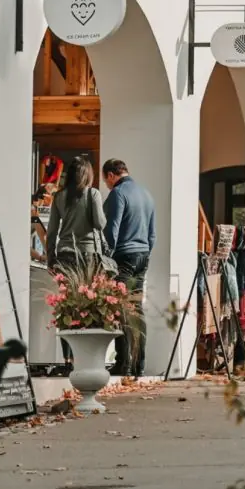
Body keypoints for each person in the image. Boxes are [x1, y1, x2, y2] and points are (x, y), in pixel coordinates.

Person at [102, 159, 155, 378]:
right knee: (136, 309)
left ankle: (123, 362)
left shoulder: (118, 193)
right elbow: (152, 234)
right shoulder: (146, 194)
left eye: (105, 179)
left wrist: (106, 257)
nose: (106, 184)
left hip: (123, 256)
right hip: (142, 256)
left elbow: (112, 230)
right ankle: (139, 364)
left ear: (111, 175)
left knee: (119, 308)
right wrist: (145, 252)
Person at [46, 156, 106, 277]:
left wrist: (50, 258)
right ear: (88, 174)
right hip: (88, 253)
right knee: (86, 294)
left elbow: (52, 230)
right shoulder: (93, 193)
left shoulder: (59, 196)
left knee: (67, 294)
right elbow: (100, 224)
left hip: (65, 253)